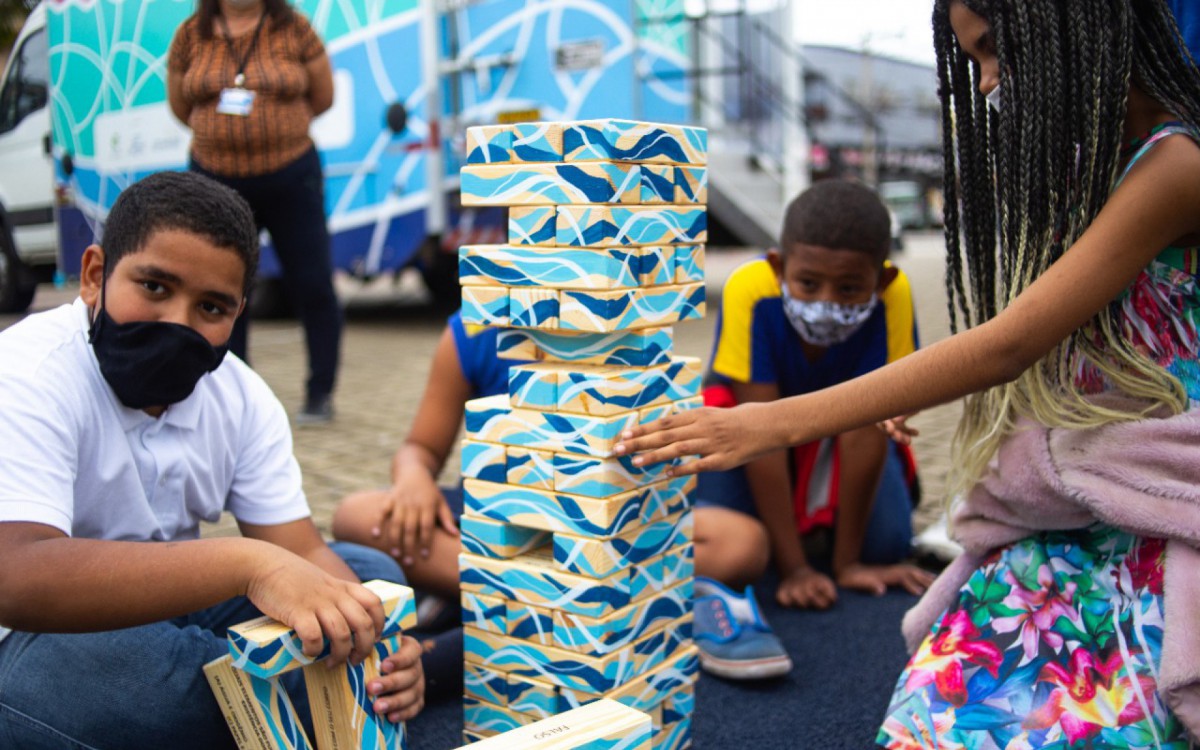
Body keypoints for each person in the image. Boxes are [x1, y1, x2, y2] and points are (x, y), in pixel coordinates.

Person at [616, 0, 1200, 744]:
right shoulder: (1096, 162)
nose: (986, 84)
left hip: (1155, 502)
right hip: (1081, 499)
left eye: (992, 52)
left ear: (1068, 23)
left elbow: (1002, 347)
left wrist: (760, 426)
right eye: (973, 63)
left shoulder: (1176, 163)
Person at [0, 171, 423, 750]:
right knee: (160, 687)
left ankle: (295, 696)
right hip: (33, 636)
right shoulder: (28, 373)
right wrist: (249, 564)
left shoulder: (241, 396)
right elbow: (17, 576)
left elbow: (300, 549)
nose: (178, 323)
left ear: (239, 312)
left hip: (170, 612)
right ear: (95, 275)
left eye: (211, 307)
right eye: (153, 287)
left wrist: (377, 645)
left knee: (372, 583)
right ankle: (285, 700)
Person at [331, 311, 794, 681]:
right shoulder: (473, 333)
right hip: (503, 518)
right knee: (359, 515)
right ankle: (594, 605)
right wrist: (413, 477)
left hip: (607, 525)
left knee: (744, 542)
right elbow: (421, 448)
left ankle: (482, 597)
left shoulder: (633, 328)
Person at [691, 179, 934, 623]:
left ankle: (828, 540)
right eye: (808, 283)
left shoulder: (894, 297)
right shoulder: (750, 289)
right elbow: (759, 434)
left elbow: (871, 420)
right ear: (778, 267)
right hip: (751, 434)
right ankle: (797, 540)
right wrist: (795, 569)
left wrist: (848, 566)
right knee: (746, 547)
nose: (826, 302)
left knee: (886, 546)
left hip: (838, 434)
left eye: (847, 289)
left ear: (882, 280)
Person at [167, 0, 341, 424]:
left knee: (312, 283)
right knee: (220, 289)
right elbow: (180, 105)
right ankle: (231, 395)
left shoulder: (295, 29)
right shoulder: (190, 35)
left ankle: (320, 393)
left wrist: (273, 126)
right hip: (216, 179)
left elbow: (323, 97)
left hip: (291, 176)